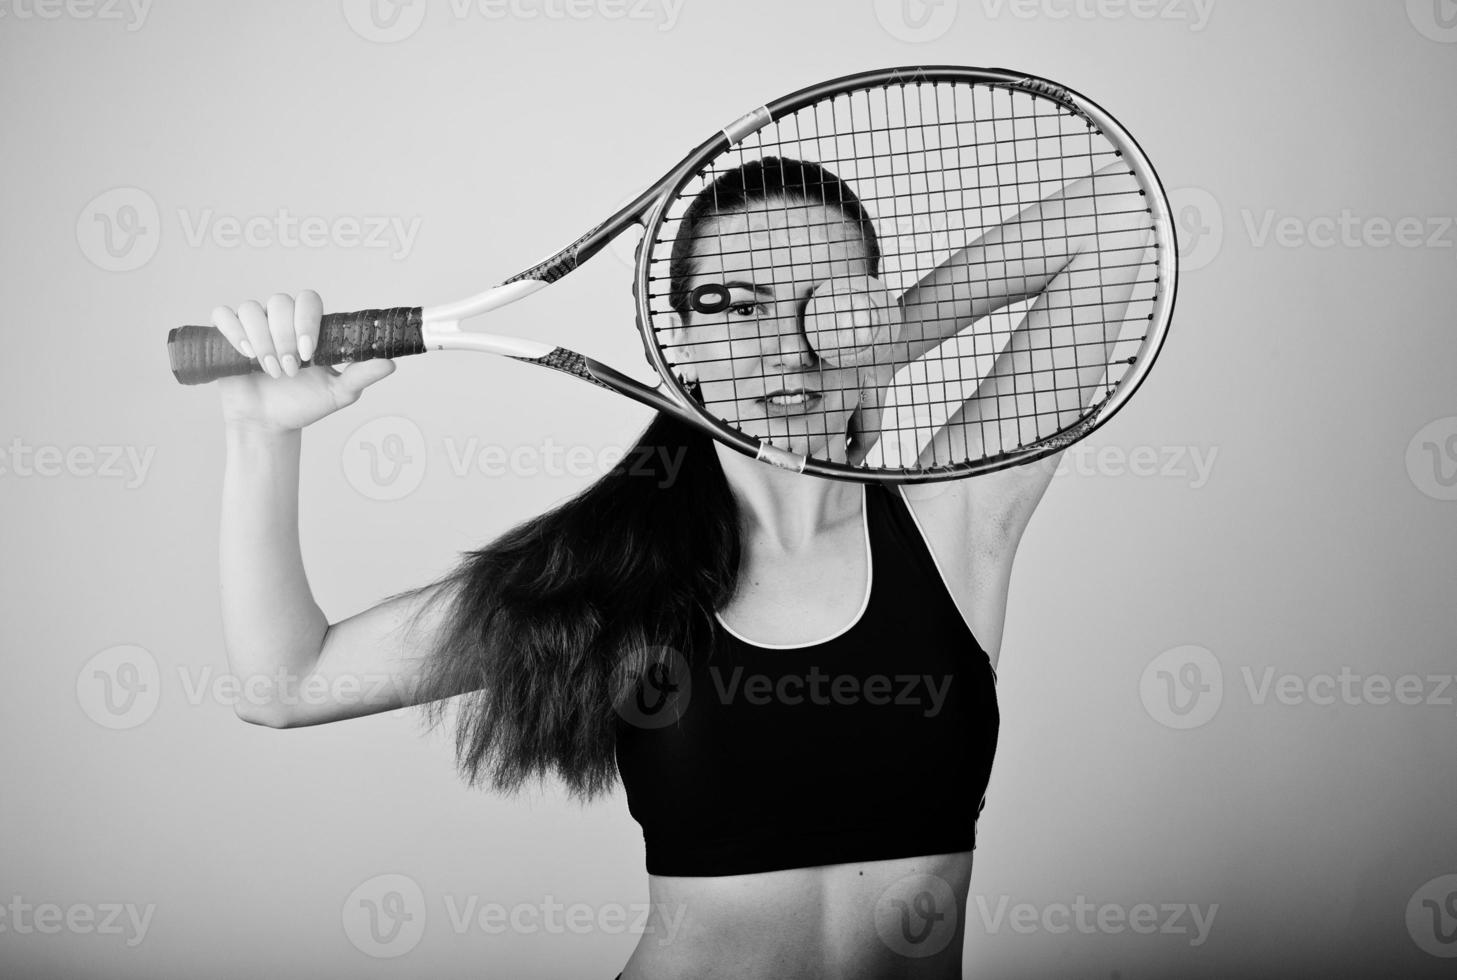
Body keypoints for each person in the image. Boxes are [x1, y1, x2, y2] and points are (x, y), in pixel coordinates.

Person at [209, 154, 1149, 979]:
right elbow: (283, 684)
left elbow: (1116, 207)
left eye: (830, 302)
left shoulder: (953, 529)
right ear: (677, 347)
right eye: (734, 306)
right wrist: (259, 434)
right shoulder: (600, 568)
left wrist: (879, 340)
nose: (787, 341)